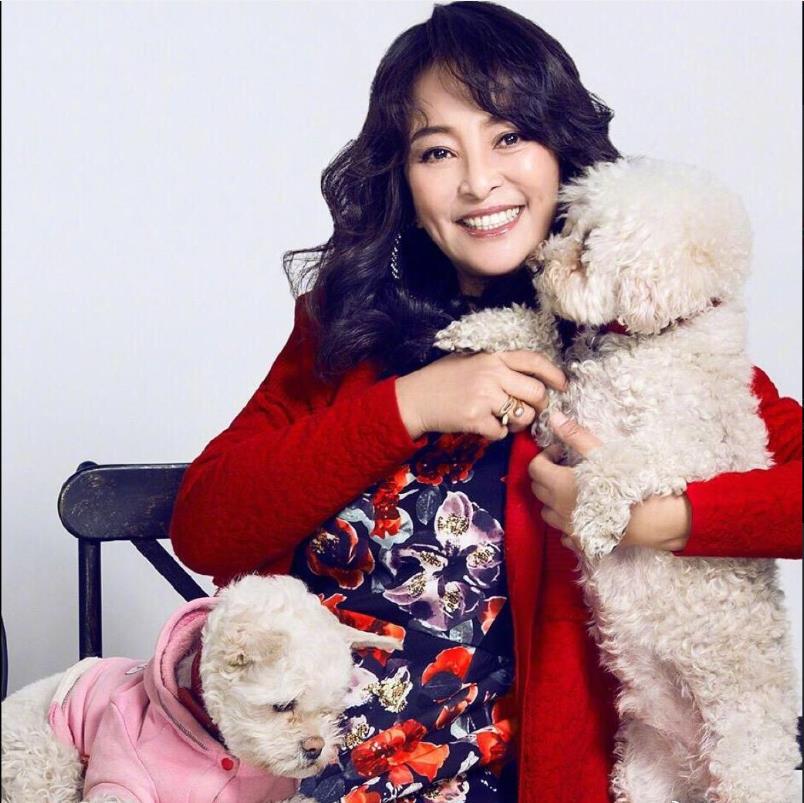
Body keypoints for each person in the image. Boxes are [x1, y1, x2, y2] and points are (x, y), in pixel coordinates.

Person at [169, 2, 803, 801]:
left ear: (560, 148)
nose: (478, 181)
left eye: (509, 136)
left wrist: (653, 518)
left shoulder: (635, 344)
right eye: (438, 151)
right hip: (300, 777)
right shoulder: (348, 331)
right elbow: (206, 524)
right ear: (404, 180)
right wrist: (408, 405)